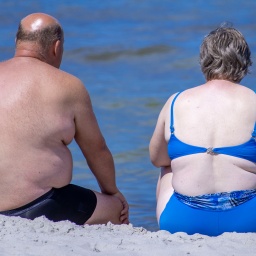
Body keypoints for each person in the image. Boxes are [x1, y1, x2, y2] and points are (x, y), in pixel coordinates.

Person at [0, 12, 129, 225]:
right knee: (116, 210)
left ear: (17, 42)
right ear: (57, 47)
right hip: (38, 204)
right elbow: (97, 150)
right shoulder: (69, 86)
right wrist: (113, 192)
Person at [149, 25, 256, 236]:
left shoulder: (175, 102)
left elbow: (156, 159)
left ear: (204, 61)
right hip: (247, 220)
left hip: (183, 221)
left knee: (168, 167)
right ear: (244, 62)